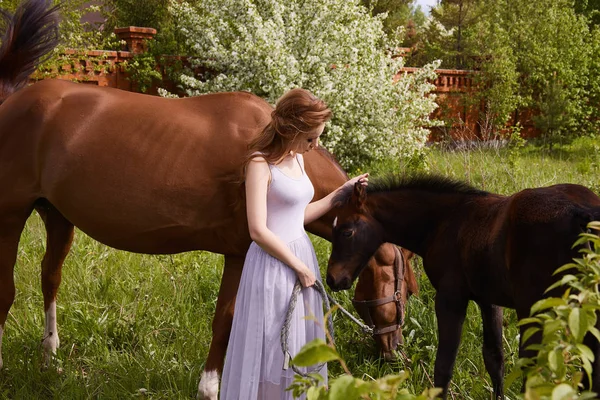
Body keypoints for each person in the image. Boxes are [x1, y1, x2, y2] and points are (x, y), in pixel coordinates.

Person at [219, 88, 368, 399]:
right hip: (273, 265)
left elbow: (297, 216)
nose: (315, 146)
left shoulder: (299, 159)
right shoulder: (260, 165)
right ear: (290, 130)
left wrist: (343, 191)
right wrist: (297, 266)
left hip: (299, 255)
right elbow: (258, 229)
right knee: (273, 342)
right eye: (310, 138)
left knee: (299, 343)